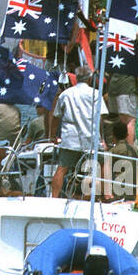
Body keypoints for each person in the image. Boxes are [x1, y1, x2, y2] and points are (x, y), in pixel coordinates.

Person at [50, 66, 106, 199]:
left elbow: (56, 117)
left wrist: (52, 136)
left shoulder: (65, 94)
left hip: (70, 137)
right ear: (90, 78)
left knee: (62, 168)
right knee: (100, 166)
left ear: (76, 78)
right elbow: (101, 117)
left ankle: (54, 197)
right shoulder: (95, 93)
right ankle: (102, 196)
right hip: (90, 137)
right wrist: (103, 138)